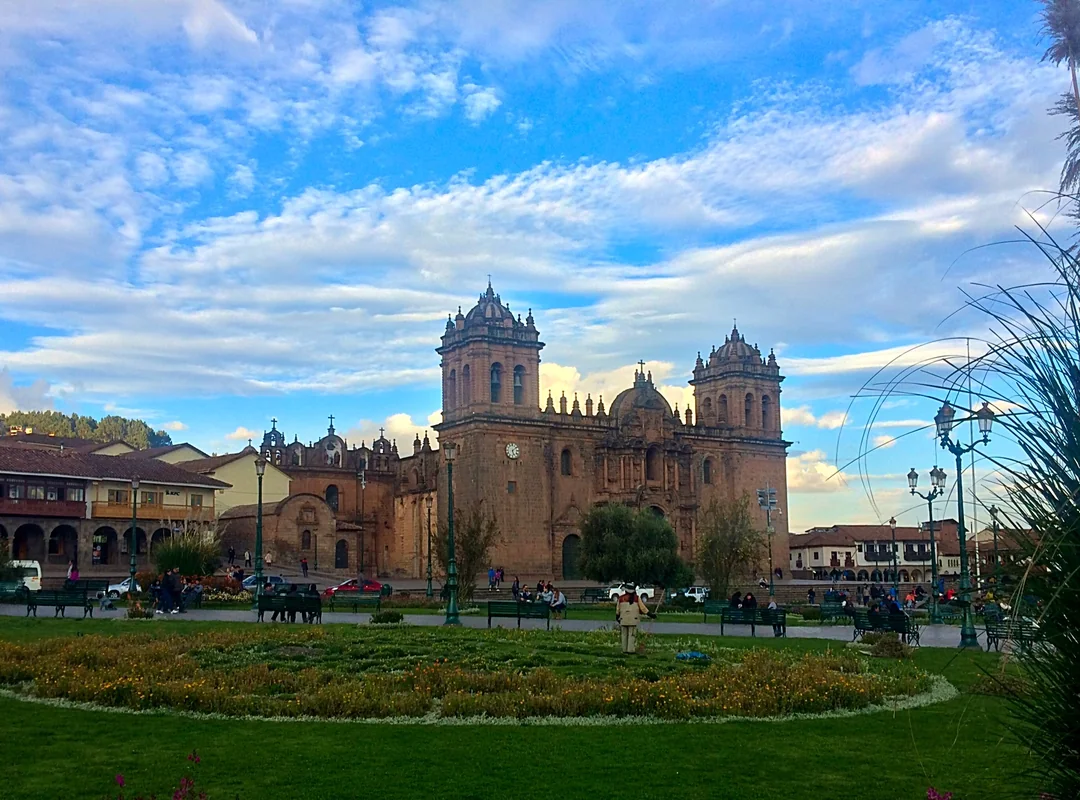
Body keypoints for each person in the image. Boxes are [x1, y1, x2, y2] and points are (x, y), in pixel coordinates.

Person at [615, 583, 652, 654]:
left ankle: (624, 649)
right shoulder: (636, 598)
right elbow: (643, 608)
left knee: (624, 635)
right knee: (631, 635)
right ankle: (630, 650)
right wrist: (650, 614)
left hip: (623, 619)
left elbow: (618, 609)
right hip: (633, 620)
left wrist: (617, 617)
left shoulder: (621, 598)